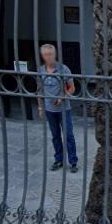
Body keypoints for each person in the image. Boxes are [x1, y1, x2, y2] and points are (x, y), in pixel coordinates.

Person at [38, 44, 79, 173]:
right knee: (55, 136)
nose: (48, 57)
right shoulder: (41, 70)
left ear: (54, 55)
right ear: (42, 56)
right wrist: (40, 107)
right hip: (49, 110)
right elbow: (39, 90)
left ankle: (73, 162)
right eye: (45, 54)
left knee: (69, 135)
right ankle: (58, 160)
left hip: (63, 109)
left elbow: (72, 88)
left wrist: (62, 97)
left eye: (50, 54)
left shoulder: (63, 69)